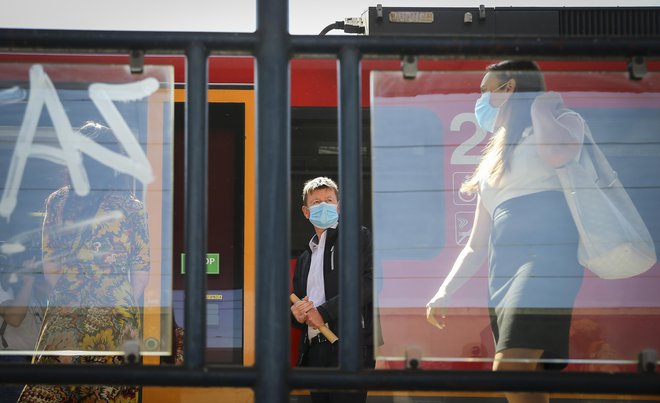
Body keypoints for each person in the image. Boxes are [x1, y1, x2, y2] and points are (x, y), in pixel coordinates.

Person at [426, 61, 586, 403]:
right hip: (503, 270)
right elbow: (476, 244)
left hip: (546, 259)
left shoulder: (563, 122)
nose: (480, 99)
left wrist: (541, 108)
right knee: (531, 379)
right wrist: (444, 291)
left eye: (487, 89)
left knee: (510, 369)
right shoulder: (494, 157)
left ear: (510, 88)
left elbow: (557, 155)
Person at [19, 121, 151, 403]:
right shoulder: (132, 208)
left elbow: (51, 268)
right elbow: (141, 275)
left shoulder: (58, 203)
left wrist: (74, 291)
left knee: (54, 390)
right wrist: (113, 299)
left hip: (68, 314)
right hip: (118, 317)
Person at [290, 176, 376, 403]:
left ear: (338, 206)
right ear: (306, 212)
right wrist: (296, 315)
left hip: (348, 345)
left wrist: (324, 312)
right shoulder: (304, 259)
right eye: (316, 202)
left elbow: (371, 283)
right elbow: (299, 303)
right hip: (315, 350)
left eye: (329, 200)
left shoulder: (357, 237)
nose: (323, 205)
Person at [0, 251, 46, 403]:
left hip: (35, 362)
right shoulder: (4, 292)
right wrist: (28, 281)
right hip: (12, 360)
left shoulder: (28, 295)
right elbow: (14, 317)